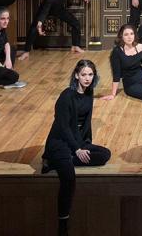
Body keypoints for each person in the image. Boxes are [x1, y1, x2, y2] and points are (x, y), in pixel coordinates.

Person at [41, 59, 111, 236]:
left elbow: (86, 122)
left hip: (76, 140)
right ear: (76, 75)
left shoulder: (89, 93)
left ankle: (63, 162)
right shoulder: (66, 96)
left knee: (104, 154)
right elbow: (63, 126)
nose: (87, 78)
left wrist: (85, 144)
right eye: (84, 75)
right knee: (69, 178)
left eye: (90, 74)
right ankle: (63, 222)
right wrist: (76, 148)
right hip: (60, 142)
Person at [19, 0, 90, 59]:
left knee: (75, 23)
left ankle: (75, 46)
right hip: (46, 8)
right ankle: (26, 51)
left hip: (58, 9)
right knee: (34, 27)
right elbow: (46, 9)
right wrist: (40, 23)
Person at [0, 7, 27, 89]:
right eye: (3, 19)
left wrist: (8, 59)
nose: (6, 21)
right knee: (14, 76)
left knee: (12, 49)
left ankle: (6, 75)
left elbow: (6, 43)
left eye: (7, 18)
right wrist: (5, 70)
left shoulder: (2, 29)